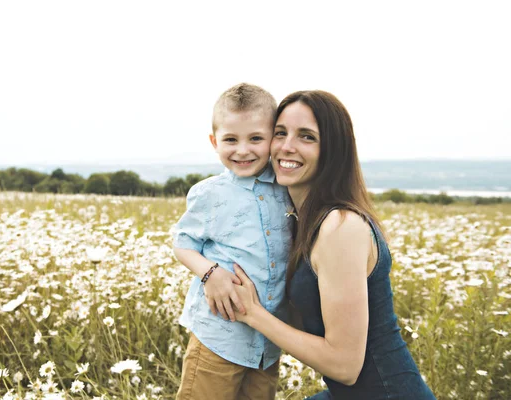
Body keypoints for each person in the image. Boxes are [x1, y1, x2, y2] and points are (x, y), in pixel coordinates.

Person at [232, 90, 436, 399]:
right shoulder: (304, 222)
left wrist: (252, 313)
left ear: (333, 150)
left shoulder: (340, 227)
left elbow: (345, 365)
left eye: (307, 137)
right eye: (281, 133)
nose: (287, 147)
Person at [172, 83, 293, 400]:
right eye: (230, 139)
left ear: (274, 138)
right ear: (214, 142)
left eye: (256, 138)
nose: (243, 150)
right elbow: (183, 245)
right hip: (218, 335)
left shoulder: (288, 188)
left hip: (267, 339)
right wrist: (210, 273)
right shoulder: (209, 194)